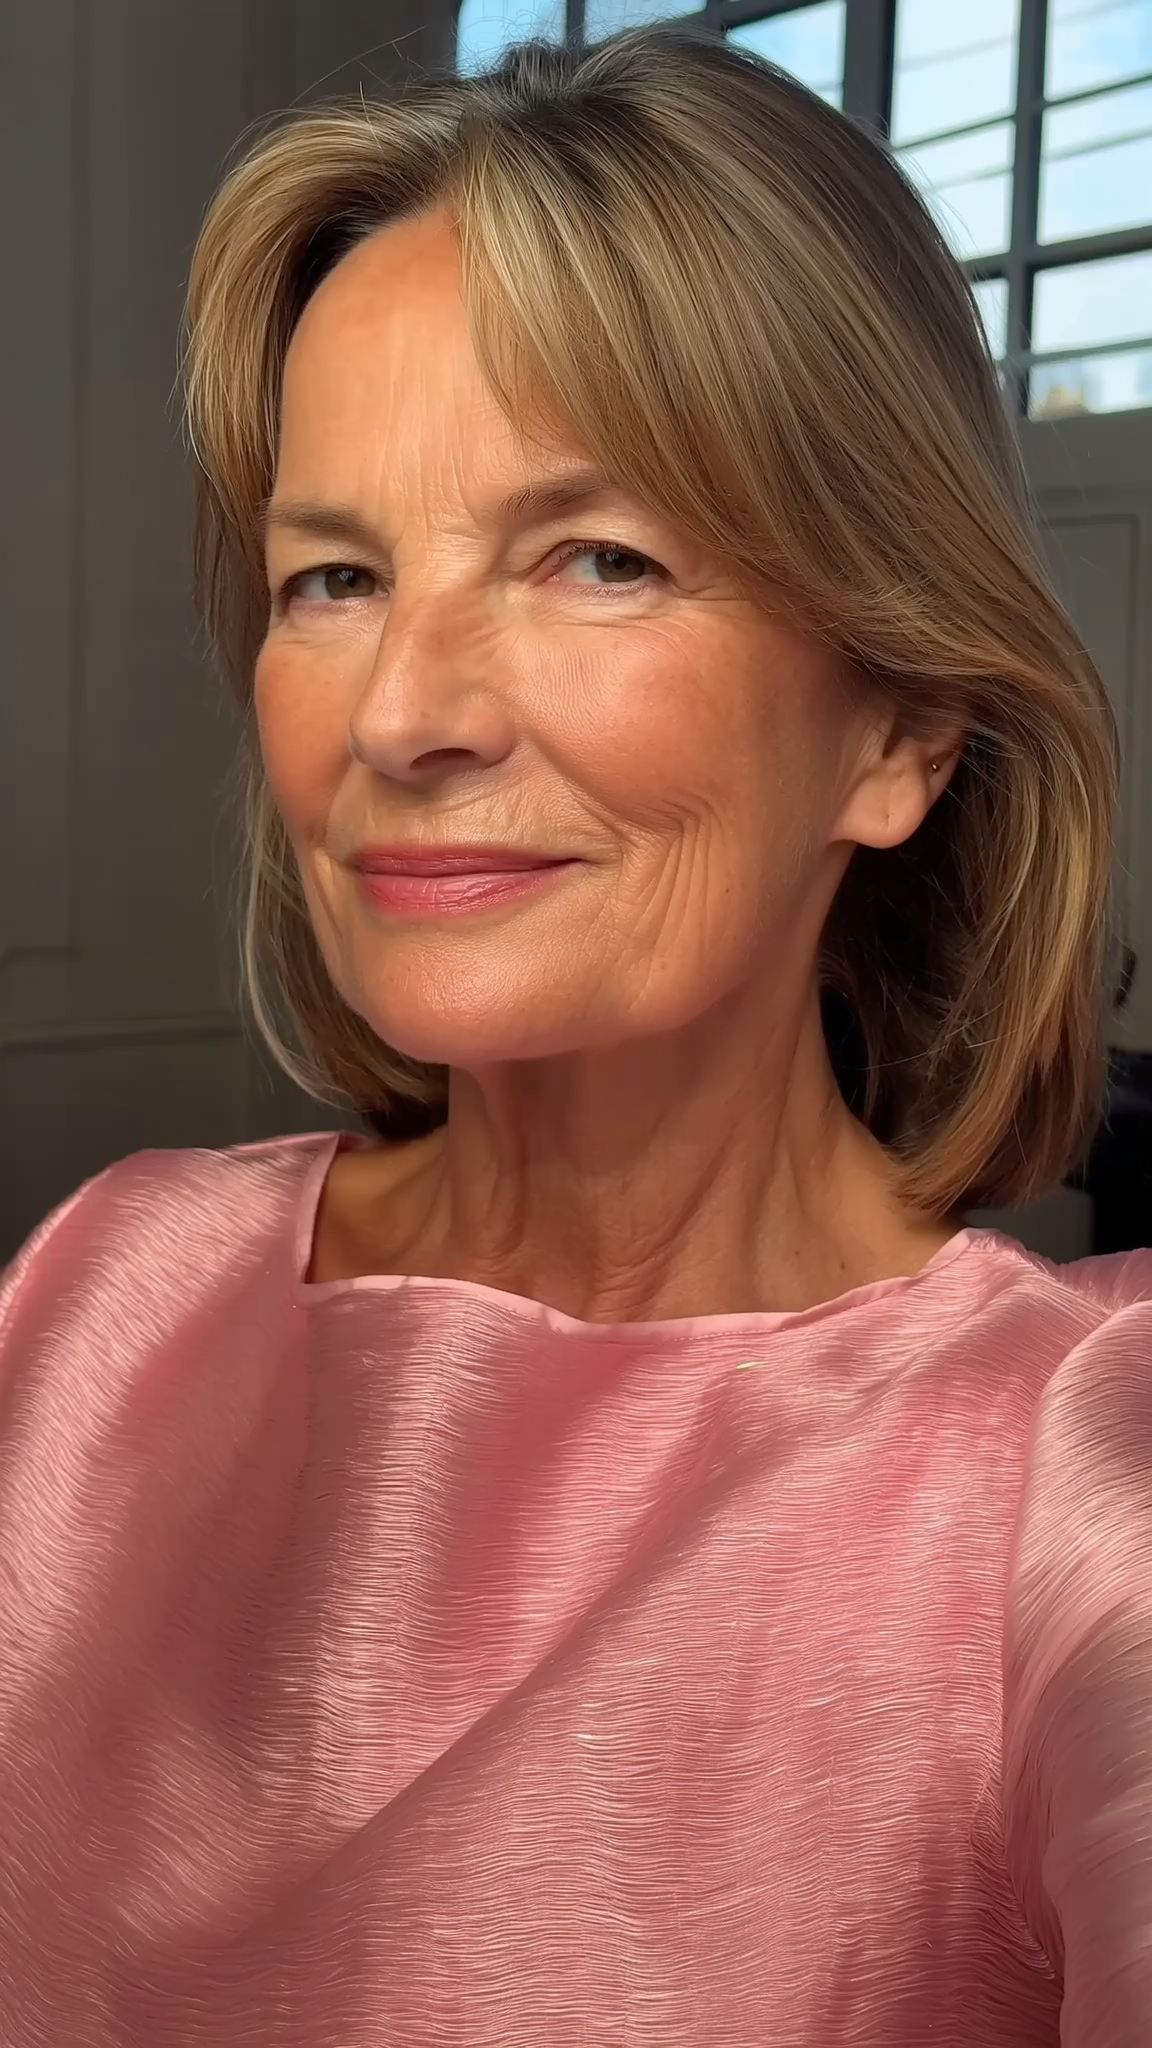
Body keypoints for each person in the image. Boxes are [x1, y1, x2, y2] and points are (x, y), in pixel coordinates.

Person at [0, 26, 1149, 2045]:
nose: (402, 713)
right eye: (333, 575)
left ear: (897, 727)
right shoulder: (106, 1301)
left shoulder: (1073, 1486)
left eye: (593, 559)